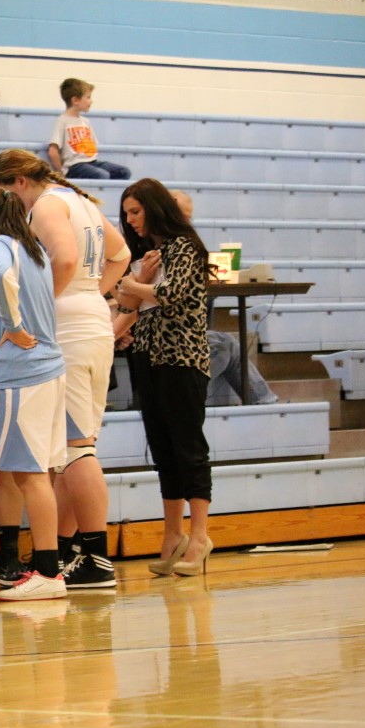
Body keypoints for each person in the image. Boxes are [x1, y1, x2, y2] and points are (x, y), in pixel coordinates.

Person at [0, 148, 130, 590]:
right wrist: (92, 293)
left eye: (6, 193)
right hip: (92, 323)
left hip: (68, 330)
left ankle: (97, 558)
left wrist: (40, 306)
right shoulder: (79, 200)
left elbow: (65, 260)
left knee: (78, 449)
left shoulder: (48, 204)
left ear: (19, 182)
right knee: (70, 450)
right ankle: (70, 552)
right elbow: (121, 255)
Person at [0, 185, 69, 601]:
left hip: (22, 373)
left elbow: (1, 276)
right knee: (38, 474)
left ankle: (48, 573)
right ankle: (48, 568)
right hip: (50, 370)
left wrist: (11, 326)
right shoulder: (33, 247)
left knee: (28, 476)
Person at [117, 178, 214, 577]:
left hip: (181, 357)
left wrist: (134, 284)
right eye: (126, 214)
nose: (130, 220)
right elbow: (125, 301)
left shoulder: (186, 246)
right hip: (146, 355)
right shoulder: (146, 254)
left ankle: (200, 536)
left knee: (189, 448)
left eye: (135, 211)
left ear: (154, 208)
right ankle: (172, 534)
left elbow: (170, 295)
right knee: (162, 449)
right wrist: (135, 283)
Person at [169, 190, 278, 407]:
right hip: (167, 334)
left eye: (188, 218)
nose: (186, 223)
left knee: (226, 343)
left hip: (186, 328)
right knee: (223, 344)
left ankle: (266, 405)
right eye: (182, 216)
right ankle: (178, 399)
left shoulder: (184, 243)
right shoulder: (157, 244)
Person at [49, 78, 130, 181]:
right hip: (74, 166)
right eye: (88, 97)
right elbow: (53, 151)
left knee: (124, 172)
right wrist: (60, 172)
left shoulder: (86, 122)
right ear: (75, 100)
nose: (91, 101)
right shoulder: (62, 121)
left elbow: (92, 145)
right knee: (101, 175)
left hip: (92, 162)